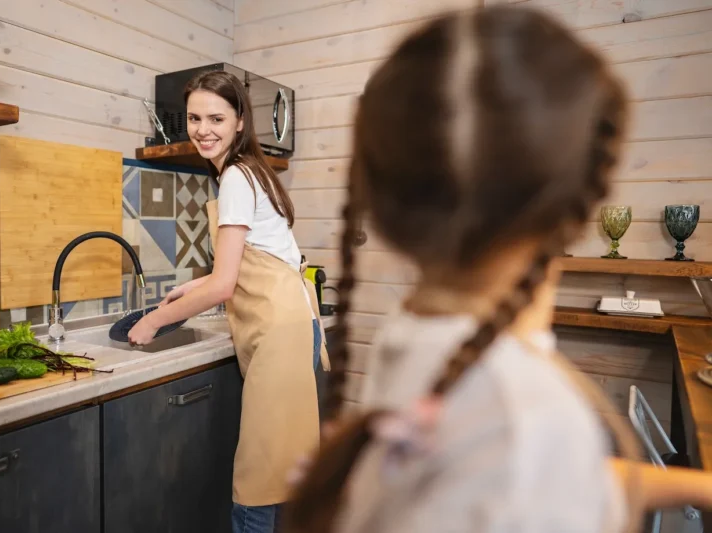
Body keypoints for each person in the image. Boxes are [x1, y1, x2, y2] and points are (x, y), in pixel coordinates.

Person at [280, 5, 712, 533]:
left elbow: (528, 477)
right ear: (580, 205)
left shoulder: (418, 332)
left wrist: (697, 486)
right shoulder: (525, 413)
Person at [127, 70, 330, 533]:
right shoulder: (253, 171)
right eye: (195, 118)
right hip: (293, 323)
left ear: (240, 121)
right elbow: (241, 268)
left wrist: (155, 319)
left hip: (278, 334)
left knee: (258, 482)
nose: (203, 129)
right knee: (281, 474)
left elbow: (224, 285)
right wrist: (188, 290)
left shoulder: (237, 177)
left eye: (216, 117)